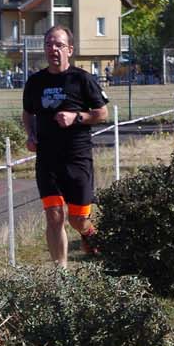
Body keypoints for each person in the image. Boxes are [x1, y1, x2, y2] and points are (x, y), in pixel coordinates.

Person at [23, 25, 110, 265]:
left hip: (77, 157)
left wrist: (77, 117)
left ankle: (88, 233)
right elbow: (27, 113)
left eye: (59, 45)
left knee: (77, 219)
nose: (53, 49)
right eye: (49, 44)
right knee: (54, 216)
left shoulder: (82, 79)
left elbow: (102, 113)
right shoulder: (35, 82)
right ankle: (61, 276)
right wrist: (31, 135)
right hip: (48, 159)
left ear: (69, 50)